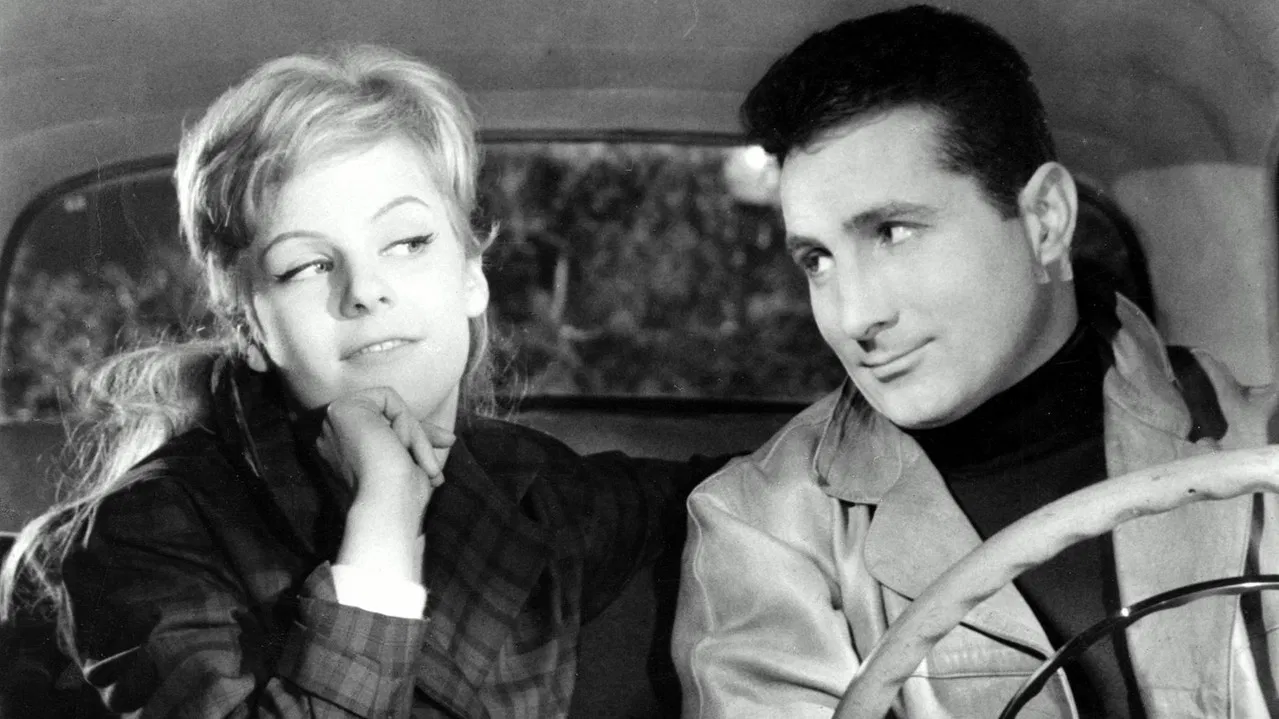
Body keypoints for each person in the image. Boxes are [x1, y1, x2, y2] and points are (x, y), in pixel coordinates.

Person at [0, 45, 718, 718]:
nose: (365, 290)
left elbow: (752, 481)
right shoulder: (142, 534)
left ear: (471, 273)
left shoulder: (534, 486)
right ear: (247, 326)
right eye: (308, 266)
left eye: (407, 242)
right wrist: (383, 520)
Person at [672, 5, 1276, 718]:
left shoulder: (1259, 443)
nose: (854, 316)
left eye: (893, 231)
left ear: (1045, 220)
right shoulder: (765, 526)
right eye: (817, 260)